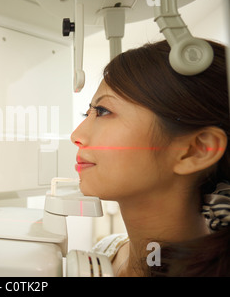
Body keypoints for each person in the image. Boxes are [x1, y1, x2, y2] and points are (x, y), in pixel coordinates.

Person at [71, 40, 229, 276]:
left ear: (195, 150)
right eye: (88, 113)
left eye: (103, 112)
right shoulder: (107, 251)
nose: (77, 135)